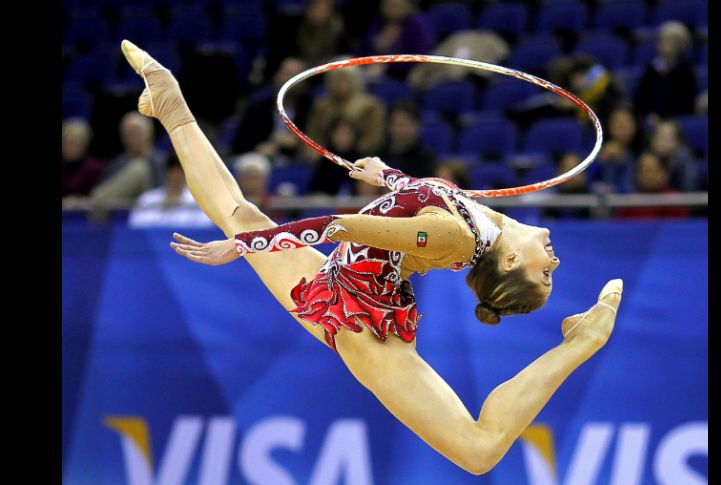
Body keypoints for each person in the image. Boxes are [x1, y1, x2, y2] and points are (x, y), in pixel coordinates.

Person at [120, 40, 623, 474]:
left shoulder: (455, 238)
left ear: (509, 265)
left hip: (365, 325)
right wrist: (387, 176)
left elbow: (341, 226)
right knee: (239, 212)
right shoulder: (488, 224)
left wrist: (248, 247)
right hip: (345, 285)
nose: (555, 263)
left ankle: (583, 342)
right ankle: (170, 103)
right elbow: (425, 195)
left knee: (479, 450)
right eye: (552, 273)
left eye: (545, 275)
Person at [634, 21, 697, 123]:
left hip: (676, 119)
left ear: (680, 45)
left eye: (670, 41)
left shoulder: (685, 70)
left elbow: (687, 101)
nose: (664, 44)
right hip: (650, 118)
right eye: (662, 40)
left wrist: (666, 117)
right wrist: (648, 114)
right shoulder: (652, 68)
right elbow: (640, 97)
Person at [128, 154, 213, 228]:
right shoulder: (147, 199)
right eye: (173, 171)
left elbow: (205, 228)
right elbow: (135, 226)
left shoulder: (198, 201)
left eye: (181, 172)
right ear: (167, 172)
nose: (176, 176)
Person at [62, 117, 104, 198]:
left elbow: (95, 197)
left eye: (79, 144)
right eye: (71, 142)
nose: (74, 148)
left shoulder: (95, 168)